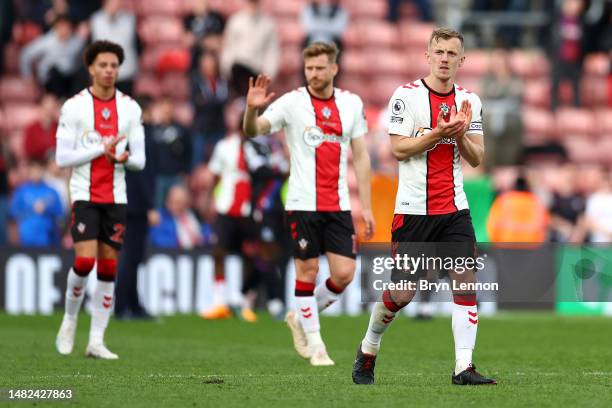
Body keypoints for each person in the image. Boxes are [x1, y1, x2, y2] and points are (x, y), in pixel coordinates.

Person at [352, 28, 496, 385]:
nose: (445, 59)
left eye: (452, 53)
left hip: (454, 210)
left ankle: (464, 367)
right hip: (414, 211)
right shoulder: (407, 96)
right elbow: (398, 150)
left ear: (462, 60)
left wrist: (460, 133)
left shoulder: (469, 101)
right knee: (402, 294)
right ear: (427, 56)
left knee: (465, 279)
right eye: (440, 52)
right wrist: (438, 133)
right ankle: (368, 347)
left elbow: (477, 159)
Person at [243, 41, 375, 366]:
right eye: (309, 68)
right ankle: (316, 346)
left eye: (319, 68)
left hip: (339, 204)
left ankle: (302, 314)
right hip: (303, 203)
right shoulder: (292, 103)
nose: (313, 74)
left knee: (344, 274)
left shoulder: (351, 104)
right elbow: (253, 130)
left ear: (334, 68)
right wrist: (251, 109)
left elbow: (360, 156)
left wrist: (368, 207)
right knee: (308, 269)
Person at [54, 40, 145, 359]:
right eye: (103, 65)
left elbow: (140, 160)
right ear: (91, 68)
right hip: (84, 194)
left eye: (114, 66)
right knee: (83, 262)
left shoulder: (131, 108)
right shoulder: (74, 106)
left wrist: (123, 158)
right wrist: (100, 150)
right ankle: (69, 320)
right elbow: (62, 157)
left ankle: (96, 340)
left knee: (108, 268)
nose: (109, 71)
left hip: (116, 196)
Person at [115, 96, 157, 320]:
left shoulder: (126, 135)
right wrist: (150, 205)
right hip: (137, 204)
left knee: (131, 256)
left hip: (125, 201)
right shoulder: (143, 135)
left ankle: (132, 304)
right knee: (131, 257)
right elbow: (143, 175)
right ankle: (122, 305)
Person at [19, 14, 87, 98]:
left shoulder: (77, 42)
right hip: (51, 80)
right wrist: (27, 76)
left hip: (69, 80)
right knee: (54, 71)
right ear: (56, 27)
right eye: (61, 26)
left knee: (81, 72)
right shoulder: (46, 41)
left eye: (67, 27)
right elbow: (26, 54)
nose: (64, 30)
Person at [220, 0, 279, 96]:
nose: (253, 4)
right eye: (250, 1)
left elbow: (272, 52)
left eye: (255, 2)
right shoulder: (236, 21)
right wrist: (227, 70)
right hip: (237, 74)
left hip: (257, 74)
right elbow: (228, 47)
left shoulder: (268, 23)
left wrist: (268, 75)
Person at [8, 158, 64, 247]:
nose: (36, 172)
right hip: (26, 241)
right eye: (33, 169)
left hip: (48, 241)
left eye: (39, 168)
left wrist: (46, 209)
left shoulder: (52, 191)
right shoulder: (21, 191)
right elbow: (13, 215)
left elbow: (60, 215)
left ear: (43, 170)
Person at [90, 0, 139, 95]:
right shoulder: (95, 20)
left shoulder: (130, 20)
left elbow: (137, 45)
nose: (115, 5)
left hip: (125, 72)